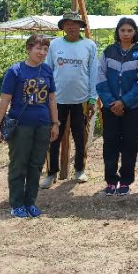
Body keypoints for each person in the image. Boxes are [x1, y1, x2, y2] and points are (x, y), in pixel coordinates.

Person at [0, 34, 59, 218]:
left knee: (36, 165)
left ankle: (30, 202)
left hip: (43, 125)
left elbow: (52, 99)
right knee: (18, 164)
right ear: (28, 49)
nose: (42, 52)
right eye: (38, 48)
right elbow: (5, 100)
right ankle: (17, 204)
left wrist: (55, 123)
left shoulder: (47, 70)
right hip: (21, 126)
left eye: (45, 49)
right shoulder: (15, 71)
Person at [40, 12, 98, 189]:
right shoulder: (55, 44)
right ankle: (51, 173)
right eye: (68, 23)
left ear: (80, 26)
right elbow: (47, 70)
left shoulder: (89, 45)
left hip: (81, 100)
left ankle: (80, 169)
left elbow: (94, 73)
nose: (71, 27)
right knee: (53, 137)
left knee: (81, 137)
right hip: (56, 100)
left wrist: (93, 98)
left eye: (75, 23)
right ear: (63, 27)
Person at [95, 18, 138, 196]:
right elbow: (100, 78)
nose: (126, 34)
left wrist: (124, 102)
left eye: (129, 30)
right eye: (123, 30)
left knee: (129, 144)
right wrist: (111, 102)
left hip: (132, 108)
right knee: (110, 144)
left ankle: (126, 181)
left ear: (135, 32)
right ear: (117, 32)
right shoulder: (108, 52)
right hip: (110, 107)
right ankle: (111, 181)